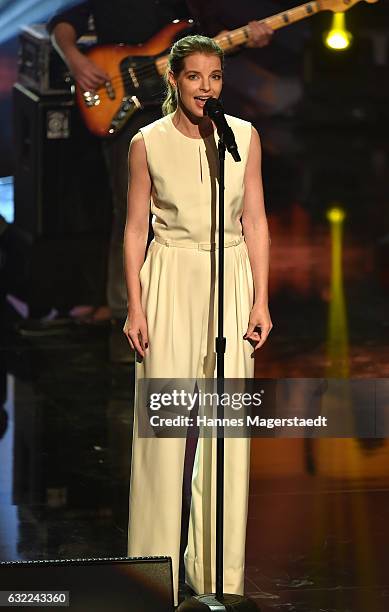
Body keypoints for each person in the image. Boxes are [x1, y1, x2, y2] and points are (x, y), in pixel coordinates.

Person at [122, 35, 272, 607]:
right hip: (169, 278)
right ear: (174, 81)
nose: (205, 87)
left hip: (229, 279)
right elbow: (136, 227)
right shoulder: (148, 143)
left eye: (214, 77)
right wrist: (135, 304)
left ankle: (216, 573)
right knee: (163, 430)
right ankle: (151, 571)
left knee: (226, 430)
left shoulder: (244, 137)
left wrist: (260, 299)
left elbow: (255, 219)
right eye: (194, 77)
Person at [47, 2, 273, 340]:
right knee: (130, 211)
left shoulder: (194, 5)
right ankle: (125, 310)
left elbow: (208, 45)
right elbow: (63, 22)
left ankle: (200, 310)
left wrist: (243, 40)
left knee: (194, 204)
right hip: (131, 110)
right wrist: (75, 60)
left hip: (186, 111)